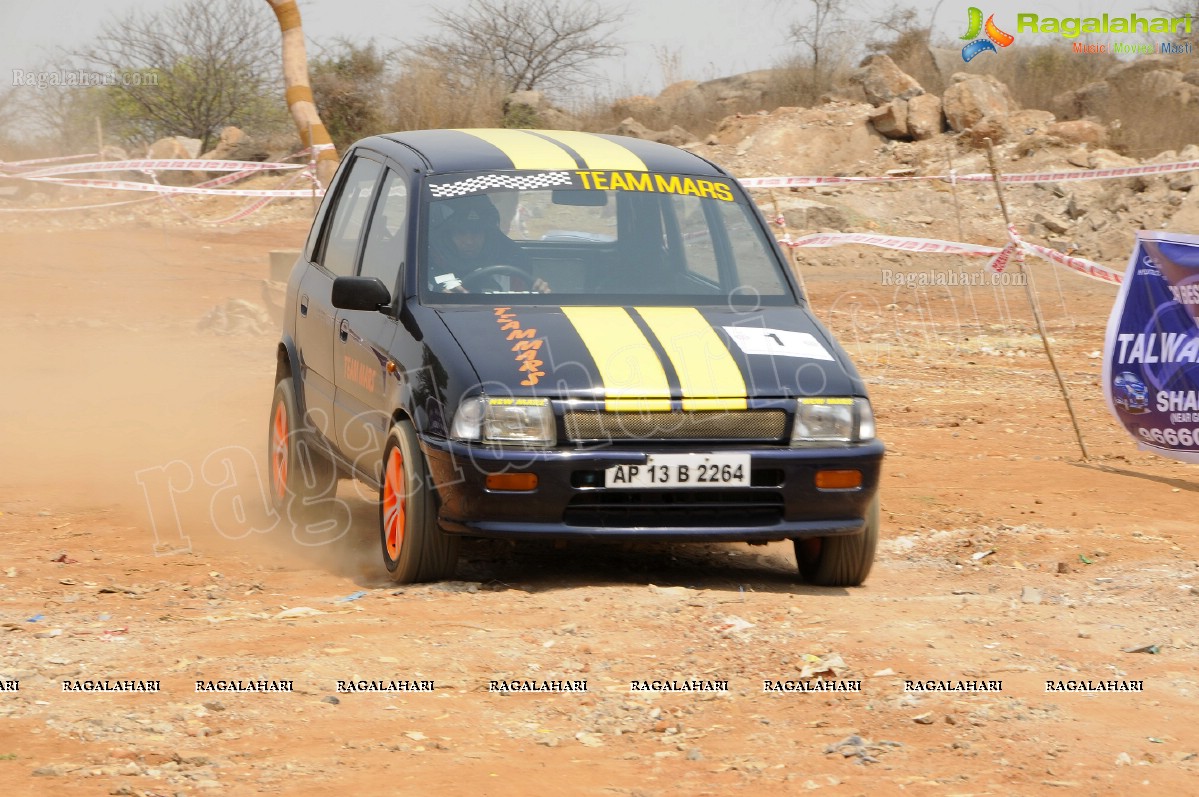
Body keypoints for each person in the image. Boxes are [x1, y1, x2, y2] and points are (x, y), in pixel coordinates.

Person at [429, 196, 550, 293]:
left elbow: (525, 310)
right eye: (461, 233)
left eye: (476, 232)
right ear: (447, 236)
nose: (469, 241)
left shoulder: (512, 263)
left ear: (488, 235)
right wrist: (440, 299)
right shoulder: (428, 266)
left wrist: (540, 296)